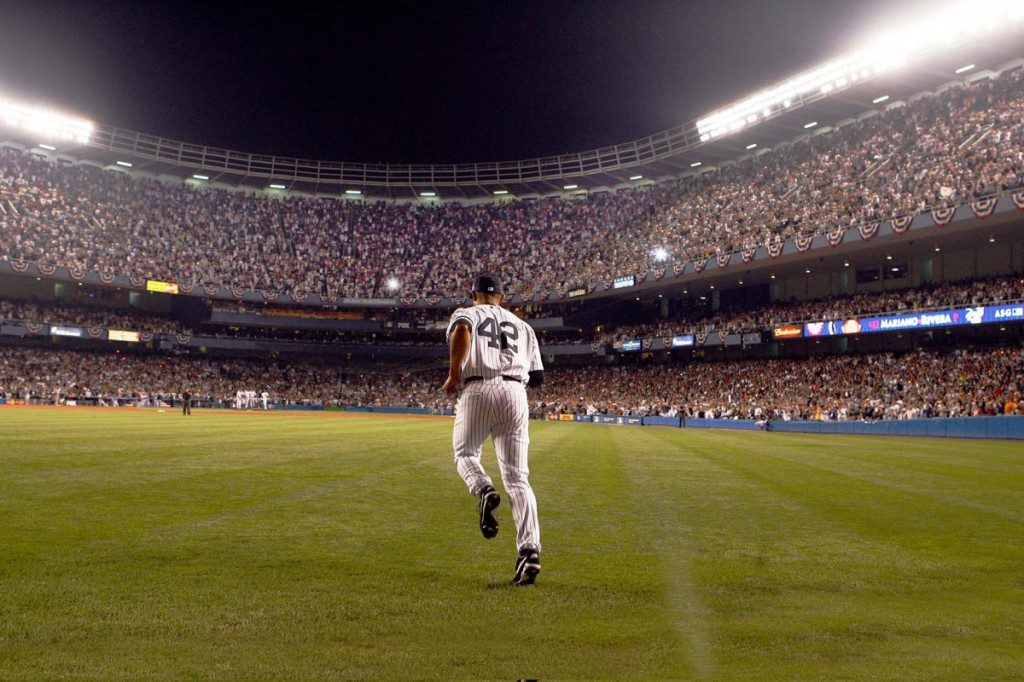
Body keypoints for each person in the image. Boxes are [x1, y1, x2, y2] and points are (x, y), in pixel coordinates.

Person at [443, 273, 545, 586]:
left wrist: (452, 374)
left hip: (478, 387)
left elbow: (462, 330)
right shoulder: (524, 326)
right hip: (516, 392)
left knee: (465, 453)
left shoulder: (467, 313)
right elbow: (538, 377)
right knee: (518, 479)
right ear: (502, 297)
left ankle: (483, 487)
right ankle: (529, 552)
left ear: (473, 295)